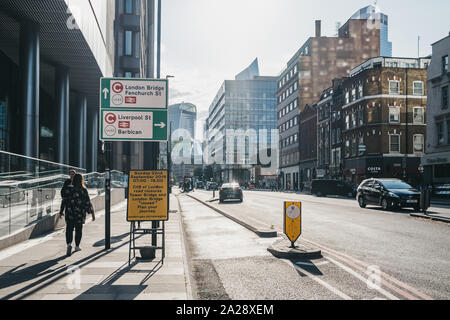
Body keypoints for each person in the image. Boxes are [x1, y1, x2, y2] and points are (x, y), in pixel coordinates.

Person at [60, 173, 95, 257]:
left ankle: (69, 244)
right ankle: (77, 246)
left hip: (69, 212)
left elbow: (64, 200)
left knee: (69, 229)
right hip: (79, 213)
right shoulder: (83, 190)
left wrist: (61, 210)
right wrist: (92, 213)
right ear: (81, 180)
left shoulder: (68, 189)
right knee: (78, 229)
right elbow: (87, 202)